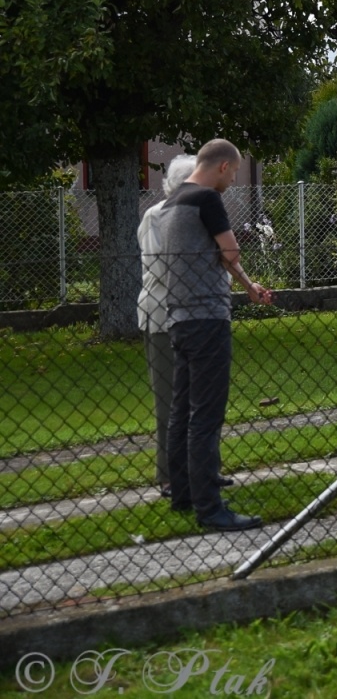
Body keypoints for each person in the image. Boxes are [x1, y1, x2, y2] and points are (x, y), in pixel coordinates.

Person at [150, 138, 273, 531]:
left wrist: (249, 287)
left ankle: (184, 495)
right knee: (206, 416)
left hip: (180, 319)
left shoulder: (172, 204)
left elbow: (216, 256)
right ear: (222, 166)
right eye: (234, 172)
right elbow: (230, 252)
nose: (234, 180)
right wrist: (242, 272)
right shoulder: (206, 200)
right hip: (208, 319)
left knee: (181, 412)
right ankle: (211, 508)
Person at [136, 153, 197, 498]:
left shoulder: (196, 216)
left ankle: (199, 470)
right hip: (162, 317)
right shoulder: (154, 217)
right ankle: (169, 477)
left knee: (197, 402)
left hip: (192, 316)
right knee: (169, 402)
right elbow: (159, 268)